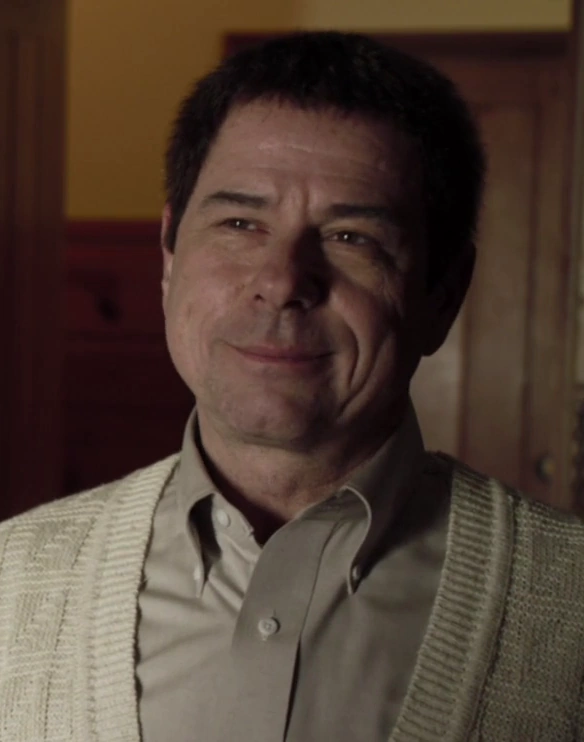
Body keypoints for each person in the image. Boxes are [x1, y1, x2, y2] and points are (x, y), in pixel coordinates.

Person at [1, 31, 584, 742]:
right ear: (169, 256)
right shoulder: (12, 579)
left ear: (444, 293)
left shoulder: (570, 603)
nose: (280, 282)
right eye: (240, 223)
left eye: (351, 238)